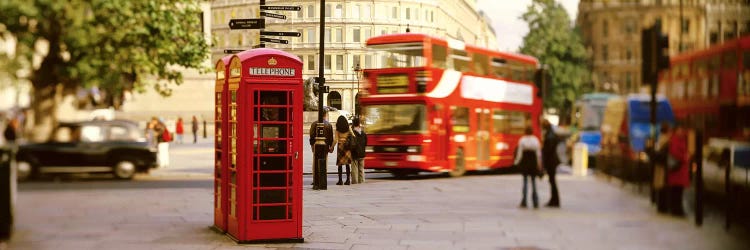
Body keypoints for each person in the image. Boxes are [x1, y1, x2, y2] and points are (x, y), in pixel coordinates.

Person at [514, 126, 542, 208]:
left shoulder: (522, 140)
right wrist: (539, 164)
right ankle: (535, 202)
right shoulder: (535, 140)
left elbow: (519, 153)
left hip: (525, 161)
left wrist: (516, 162)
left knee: (525, 182)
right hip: (533, 162)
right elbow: (538, 154)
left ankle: (524, 201)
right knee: (533, 182)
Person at [666, 123, 689, 217]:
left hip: (680, 170)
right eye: (679, 129)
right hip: (677, 170)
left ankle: (677, 209)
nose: (681, 131)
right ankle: (676, 210)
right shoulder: (675, 139)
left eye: (682, 129)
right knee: (676, 191)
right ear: (676, 130)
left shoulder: (681, 139)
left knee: (678, 191)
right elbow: (675, 152)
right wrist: (685, 157)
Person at [309, 112, 334, 189]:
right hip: (325, 147)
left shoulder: (314, 124)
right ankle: (323, 179)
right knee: (324, 163)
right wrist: (330, 146)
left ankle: (315, 179)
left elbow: (311, 135)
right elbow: (330, 137)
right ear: (325, 115)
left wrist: (312, 145)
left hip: (316, 146)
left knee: (315, 163)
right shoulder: (329, 125)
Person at [653, 122, 673, 213]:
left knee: (660, 186)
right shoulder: (667, 140)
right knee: (663, 186)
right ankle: (663, 206)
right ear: (667, 131)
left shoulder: (660, 138)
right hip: (663, 167)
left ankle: (660, 206)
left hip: (659, 166)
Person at [542, 120, 561, 207]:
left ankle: (555, 200)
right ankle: (554, 199)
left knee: (552, 181)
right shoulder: (551, 134)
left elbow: (547, 150)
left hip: (551, 162)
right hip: (552, 161)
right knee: (552, 181)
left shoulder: (549, 136)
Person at [333, 115, 353, 185]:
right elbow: (353, 136)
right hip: (347, 146)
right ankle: (348, 180)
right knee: (347, 164)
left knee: (340, 164)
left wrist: (332, 147)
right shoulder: (348, 128)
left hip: (340, 146)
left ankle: (340, 180)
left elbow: (335, 140)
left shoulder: (337, 130)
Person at [350, 116, 367, 184]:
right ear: (359, 123)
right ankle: (362, 181)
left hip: (354, 153)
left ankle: (355, 182)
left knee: (354, 169)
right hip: (362, 153)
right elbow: (365, 143)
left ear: (353, 123)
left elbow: (351, 144)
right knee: (361, 169)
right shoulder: (363, 133)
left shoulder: (352, 133)